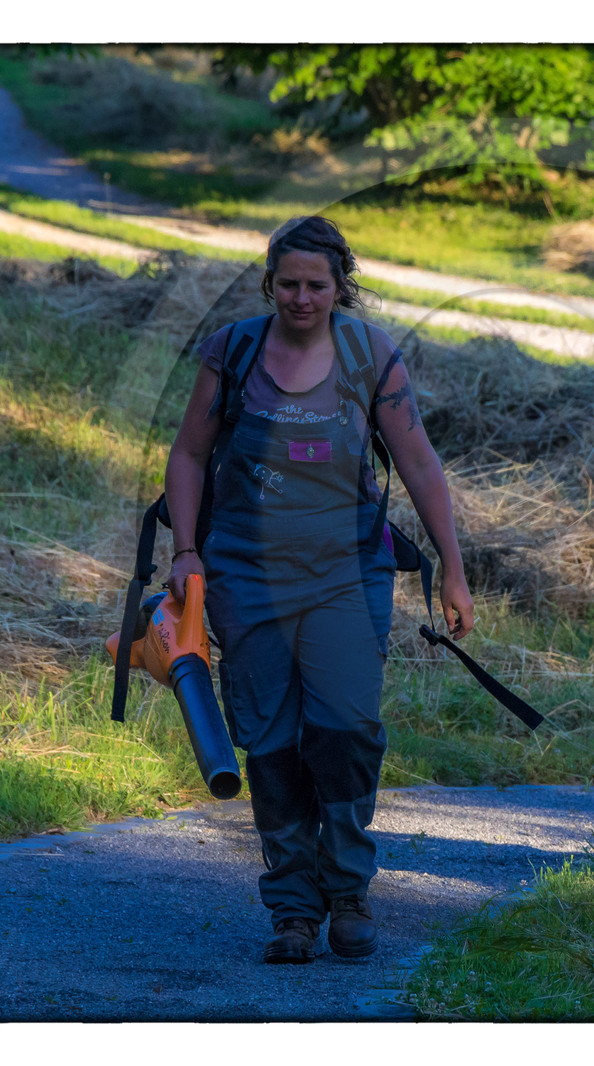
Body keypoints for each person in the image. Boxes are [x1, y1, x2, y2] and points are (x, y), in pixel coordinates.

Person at [163, 216, 475, 965]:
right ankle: (294, 911)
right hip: (246, 574)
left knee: (344, 732)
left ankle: (348, 891)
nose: (302, 297)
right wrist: (185, 550)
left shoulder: (370, 356)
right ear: (270, 282)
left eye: (317, 284)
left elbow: (423, 466)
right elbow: (189, 454)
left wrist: (454, 570)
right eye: (289, 283)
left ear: (341, 287)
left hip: (346, 574)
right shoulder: (233, 349)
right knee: (269, 741)